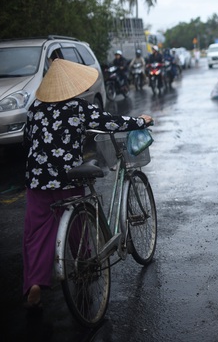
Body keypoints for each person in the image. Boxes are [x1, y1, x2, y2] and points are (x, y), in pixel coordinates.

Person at [22, 59, 153, 311]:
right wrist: (140, 121)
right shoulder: (78, 108)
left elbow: (28, 140)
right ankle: (86, 263)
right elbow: (110, 122)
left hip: (37, 180)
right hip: (68, 177)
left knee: (37, 233)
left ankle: (34, 283)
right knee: (77, 222)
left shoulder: (35, 108)